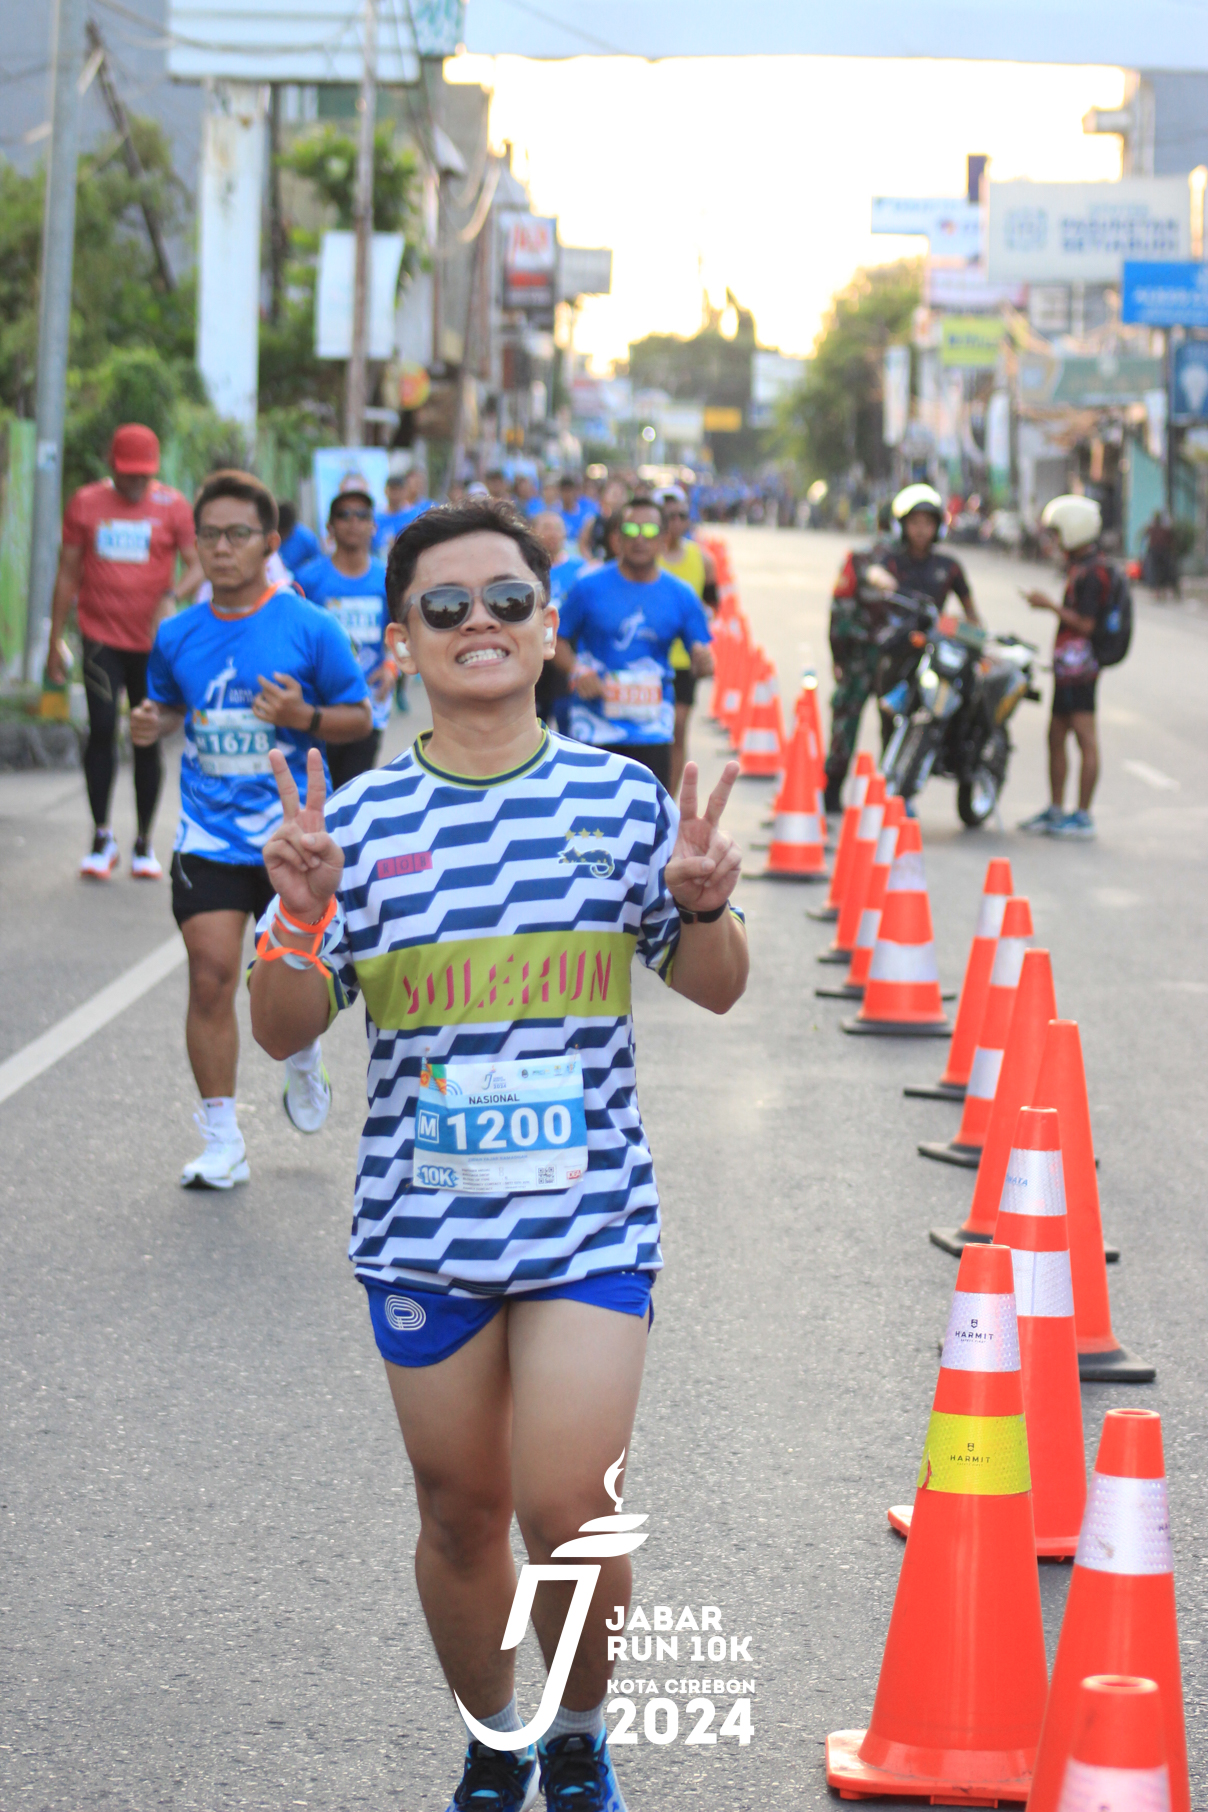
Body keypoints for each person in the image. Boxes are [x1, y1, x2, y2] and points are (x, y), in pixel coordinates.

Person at [247, 497, 748, 1812]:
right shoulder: (356, 823)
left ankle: (577, 1731)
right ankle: (493, 1736)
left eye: (508, 600)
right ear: (401, 640)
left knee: (568, 1508)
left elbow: (715, 988)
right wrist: (295, 920)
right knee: (460, 1513)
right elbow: (282, 1029)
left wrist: (706, 910)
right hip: (424, 1230)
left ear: (548, 629)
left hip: (590, 1221)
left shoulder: (620, 800)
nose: (480, 622)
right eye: (445, 606)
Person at [130, 469, 371, 1188]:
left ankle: (302, 1054)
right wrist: (152, 722)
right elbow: (172, 707)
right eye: (209, 534)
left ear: (269, 543)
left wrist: (304, 718)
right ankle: (222, 1138)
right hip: (207, 836)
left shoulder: (310, 626)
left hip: (288, 843)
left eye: (238, 534)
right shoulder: (176, 634)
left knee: (284, 973)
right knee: (210, 977)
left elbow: (360, 718)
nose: (221, 547)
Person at [46, 423, 205, 879]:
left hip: (153, 648)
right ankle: (101, 836)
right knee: (100, 730)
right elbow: (67, 573)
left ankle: (143, 842)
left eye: (143, 474)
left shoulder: (173, 506)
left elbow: (197, 564)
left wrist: (172, 594)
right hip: (100, 638)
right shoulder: (86, 503)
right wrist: (55, 640)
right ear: (112, 466)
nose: (135, 481)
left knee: (146, 736)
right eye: (127, 473)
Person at [822, 483, 980, 813]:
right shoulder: (882, 559)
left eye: (927, 523)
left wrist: (971, 638)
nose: (920, 530)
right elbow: (862, 586)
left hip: (917, 658)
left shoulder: (948, 566)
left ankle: (894, 795)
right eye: (913, 523)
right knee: (847, 722)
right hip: (874, 653)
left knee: (901, 725)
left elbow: (966, 621)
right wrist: (839, 655)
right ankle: (833, 792)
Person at [555, 500, 713, 790]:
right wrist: (577, 669)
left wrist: (704, 662)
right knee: (591, 815)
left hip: (651, 730)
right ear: (617, 539)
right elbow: (557, 638)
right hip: (594, 727)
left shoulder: (681, 594)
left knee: (647, 814)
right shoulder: (588, 587)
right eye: (630, 529)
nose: (640, 538)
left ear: (664, 540)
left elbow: (701, 655)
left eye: (650, 530)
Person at [1019, 493, 1117, 840]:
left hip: (1081, 670)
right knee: (1055, 736)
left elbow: (1086, 624)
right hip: (1066, 669)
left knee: (1084, 738)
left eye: (1058, 533)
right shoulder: (1080, 567)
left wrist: (1048, 605)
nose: (1056, 540)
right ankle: (1057, 809)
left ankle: (1083, 815)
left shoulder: (1092, 573)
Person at [297, 486, 394, 788]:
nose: (353, 522)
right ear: (330, 527)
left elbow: (404, 630)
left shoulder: (388, 578)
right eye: (344, 515)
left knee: (353, 790)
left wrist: (392, 666)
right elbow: (296, 635)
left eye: (362, 515)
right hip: (320, 704)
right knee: (318, 792)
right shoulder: (308, 578)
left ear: (373, 526)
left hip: (370, 702)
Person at [657, 486, 719, 797]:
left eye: (682, 516)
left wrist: (700, 629)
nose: (676, 522)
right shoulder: (646, 557)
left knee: (678, 728)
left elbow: (713, 603)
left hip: (684, 659)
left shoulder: (702, 559)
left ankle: (669, 798)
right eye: (669, 516)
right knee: (653, 732)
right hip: (650, 657)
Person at [531, 510, 584, 732]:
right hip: (534, 651)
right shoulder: (525, 569)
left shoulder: (581, 570)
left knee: (565, 717)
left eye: (557, 528)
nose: (552, 534)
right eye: (546, 528)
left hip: (566, 649)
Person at [557, 472, 600, 552]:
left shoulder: (588, 510)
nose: (567, 494)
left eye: (570, 490)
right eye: (564, 490)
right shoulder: (555, 514)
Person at [276, 501, 320, 576]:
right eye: (279, 532)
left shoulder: (306, 538)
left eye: (284, 532)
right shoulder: (270, 538)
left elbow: (318, 564)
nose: (282, 536)